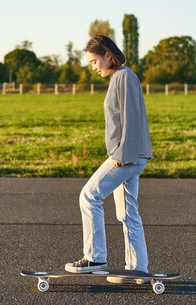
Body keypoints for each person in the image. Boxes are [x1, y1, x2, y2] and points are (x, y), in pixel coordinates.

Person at [65, 35, 153, 281]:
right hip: (131, 155)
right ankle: (138, 268)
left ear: (108, 55)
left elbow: (131, 118)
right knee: (127, 213)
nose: (94, 68)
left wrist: (123, 155)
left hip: (126, 156)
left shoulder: (123, 77)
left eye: (95, 62)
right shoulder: (121, 77)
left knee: (89, 196)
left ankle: (95, 257)